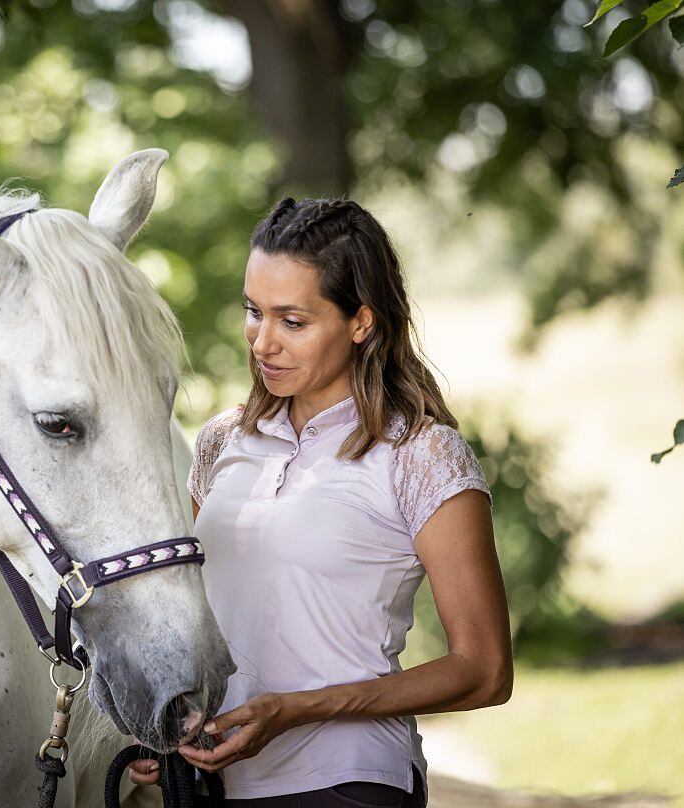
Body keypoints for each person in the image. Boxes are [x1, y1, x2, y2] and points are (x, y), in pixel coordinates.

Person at [129, 197, 513, 807]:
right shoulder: (221, 441)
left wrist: (296, 711)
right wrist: (166, 727)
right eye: (254, 312)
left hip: (347, 781)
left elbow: (484, 669)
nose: (263, 342)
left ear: (361, 322)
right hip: (210, 786)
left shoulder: (421, 453)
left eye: (294, 321)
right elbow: (203, 613)